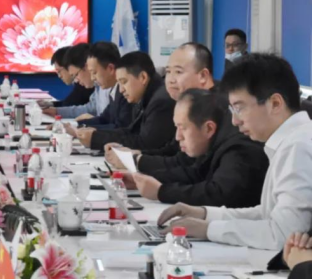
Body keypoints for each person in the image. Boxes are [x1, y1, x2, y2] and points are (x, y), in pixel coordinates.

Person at [158, 54, 312, 251]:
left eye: (240, 108)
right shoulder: (292, 141)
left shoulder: (298, 147)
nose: (235, 121)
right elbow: (268, 214)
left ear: (275, 103)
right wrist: (204, 214)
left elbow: (283, 234)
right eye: (232, 110)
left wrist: (208, 229)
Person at [123, 89, 267, 208]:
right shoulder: (215, 141)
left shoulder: (239, 149)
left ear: (208, 128)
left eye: (183, 128)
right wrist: (142, 179)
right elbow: (194, 174)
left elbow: (219, 194)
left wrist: (161, 192)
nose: (178, 136)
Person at [106, 43, 217, 172]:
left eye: (178, 72)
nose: (170, 80)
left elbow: (188, 167)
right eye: (168, 71)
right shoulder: (189, 102)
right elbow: (173, 152)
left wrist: (136, 161)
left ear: (203, 76)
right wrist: (136, 155)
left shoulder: (217, 109)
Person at [74, 51, 176, 151]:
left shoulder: (160, 102)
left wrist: (96, 138)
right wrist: (95, 134)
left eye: (124, 82)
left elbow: (145, 143)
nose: (121, 90)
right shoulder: (146, 96)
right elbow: (131, 131)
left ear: (143, 77)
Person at [70, 42, 133, 128]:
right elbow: (103, 119)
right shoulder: (114, 91)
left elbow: (120, 128)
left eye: (94, 72)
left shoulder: (126, 92)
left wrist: (84, 129)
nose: (92, 78)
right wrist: (74, 125)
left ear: (110, 68)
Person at [44, 44, 107, 120]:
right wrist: (57, 111)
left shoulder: (106, 87)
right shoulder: (98, 87)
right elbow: (90, 109)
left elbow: (110, 122)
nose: (76, 80)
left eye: (76, 75)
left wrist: (93, 122)